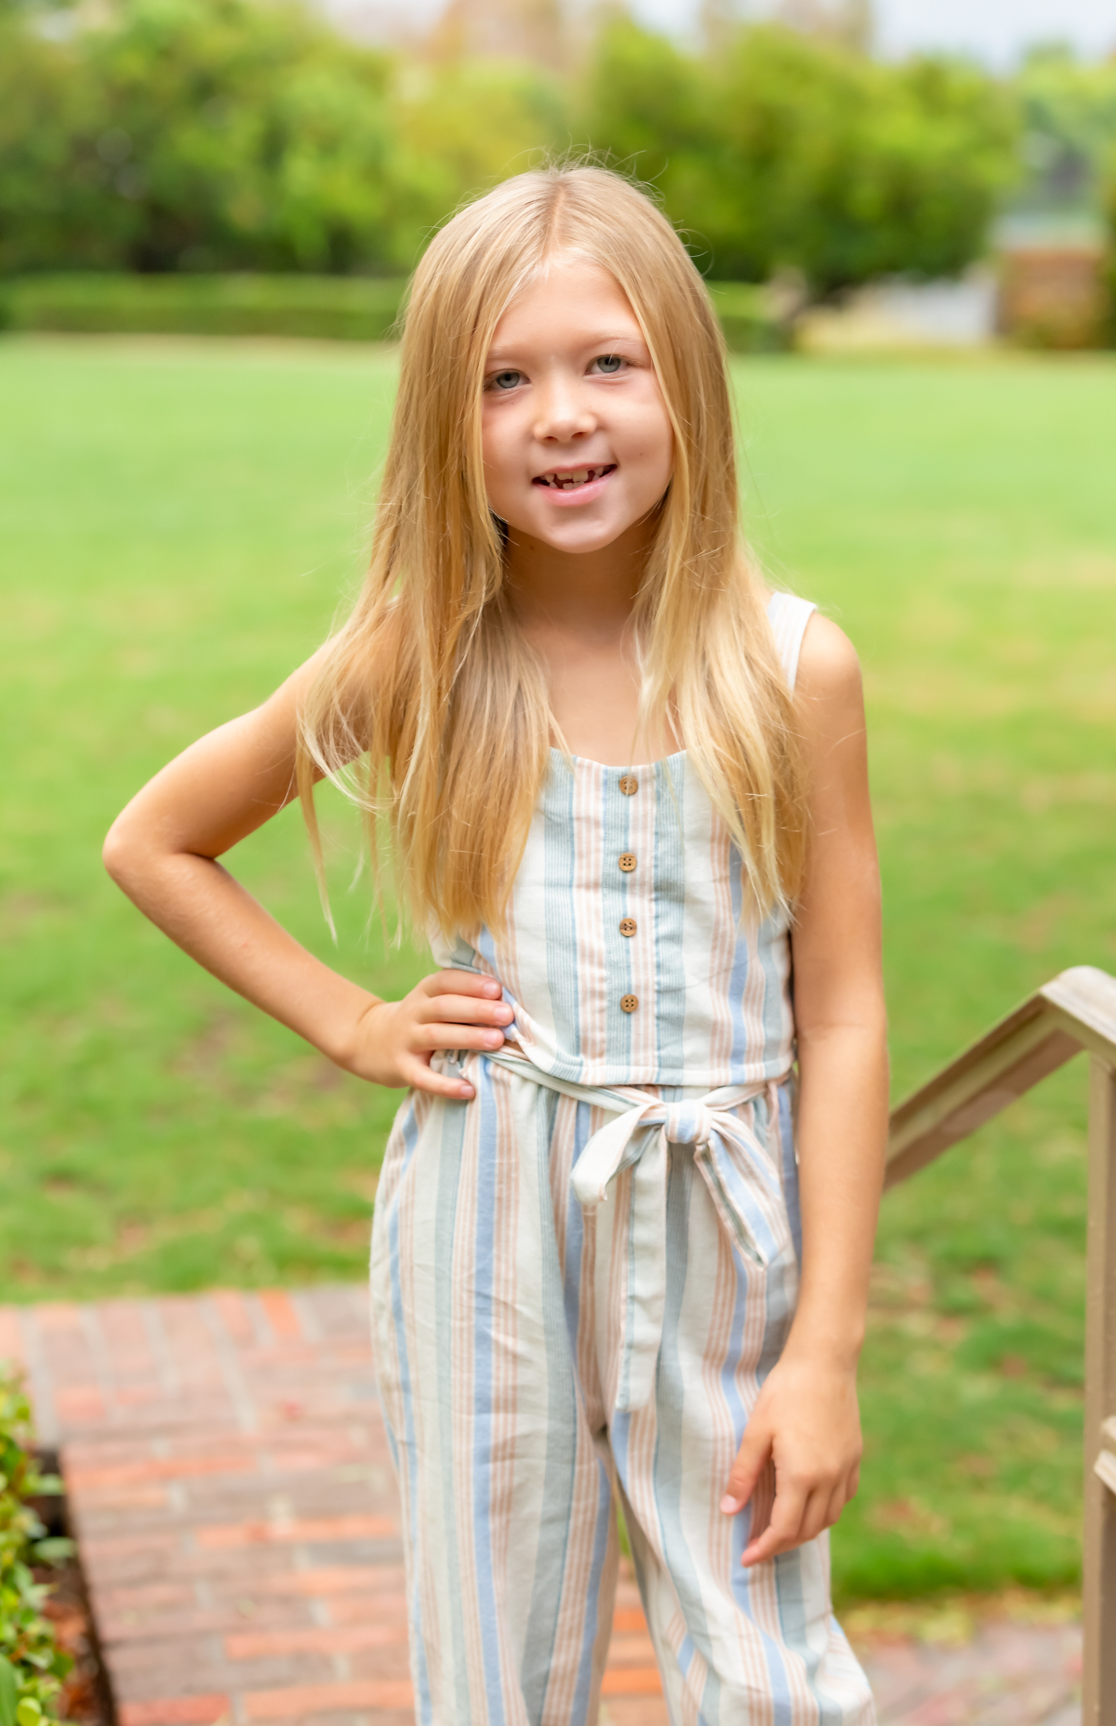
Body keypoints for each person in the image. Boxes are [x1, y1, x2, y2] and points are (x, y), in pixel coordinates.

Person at [104, 164, 887, 1724]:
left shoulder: (792, 668)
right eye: (501, 382)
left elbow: (845, 1014)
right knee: (494, 1675)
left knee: (770, 1681)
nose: (559, 417)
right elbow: (157, 841)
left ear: (688, 380)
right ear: (441, 426)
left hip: (724, 1224)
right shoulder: (420, 654)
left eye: (606, 363)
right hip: (484, 1222)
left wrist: (824, 1353)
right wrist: (348, 1022)